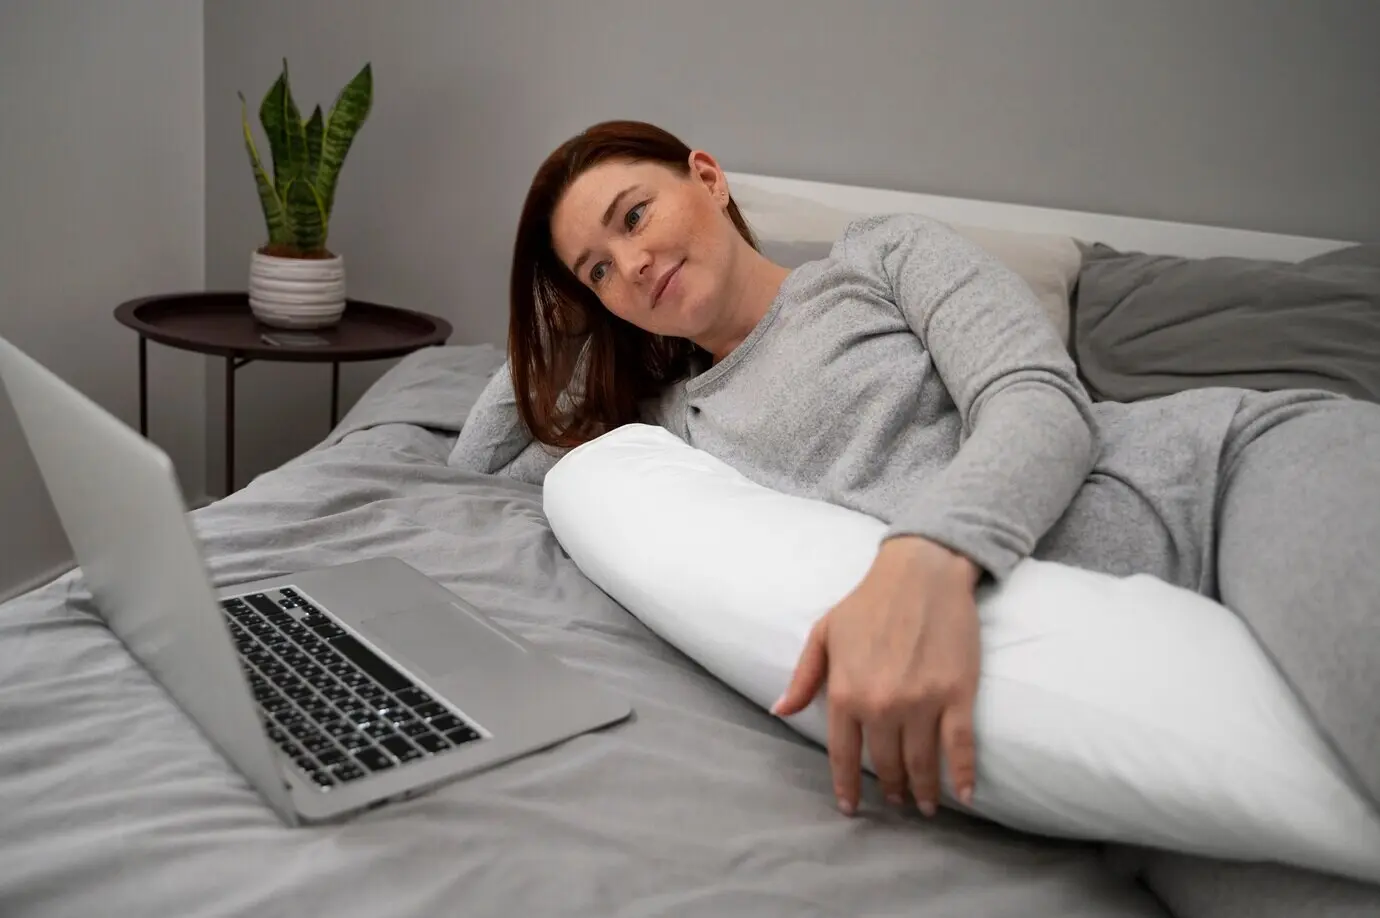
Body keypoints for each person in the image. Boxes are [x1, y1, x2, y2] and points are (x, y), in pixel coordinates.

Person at [452, 119, 1380, 820]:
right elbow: (475, 467)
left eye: (636, 216)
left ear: (707, 174)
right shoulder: (673, 422)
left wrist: (925, 554)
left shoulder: (881, 255)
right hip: (1112, 662)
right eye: (601, 268)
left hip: (1227, 481)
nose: (633, 260)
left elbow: (1036, 396)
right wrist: (559, 317)